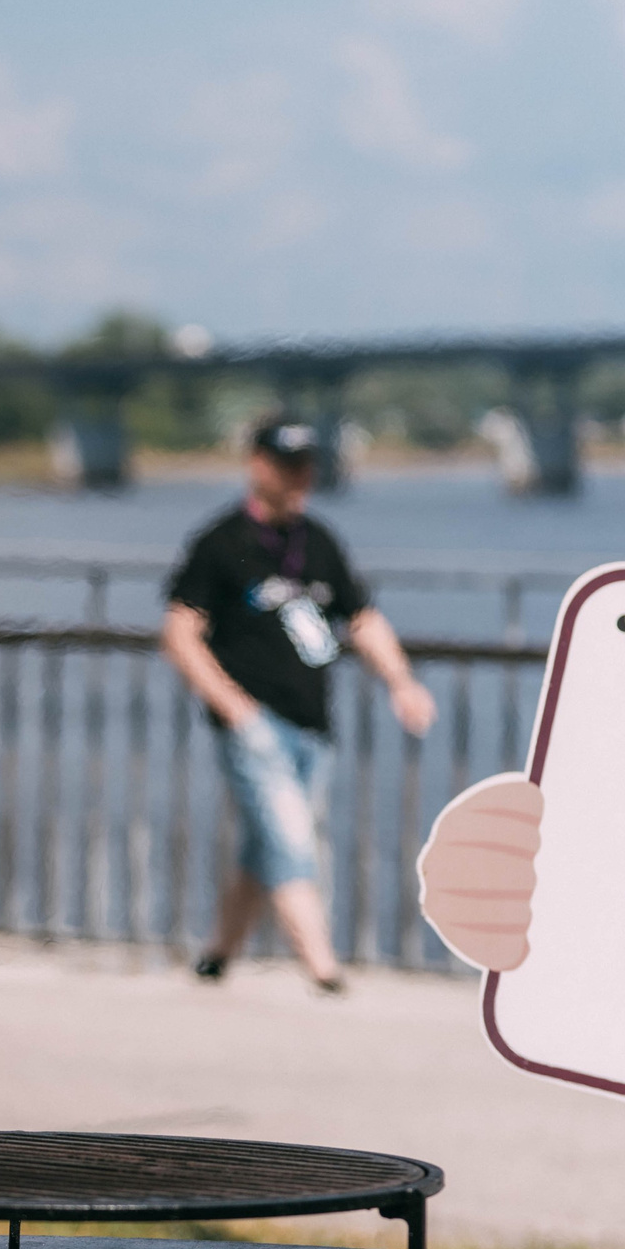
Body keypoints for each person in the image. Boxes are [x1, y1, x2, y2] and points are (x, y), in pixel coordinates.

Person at [161, 415, 437, 992]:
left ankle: (217, 954)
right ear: (258, 466)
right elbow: (181, 634)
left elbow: (361, 619)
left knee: (267, 843)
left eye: (307, 465)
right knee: (292, 840)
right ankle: (323, 967)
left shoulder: (319, 542)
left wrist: (401, 682)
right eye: (288, 465)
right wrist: (234, 708)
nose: (300, 477)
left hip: (313, 726)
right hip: (253, 725)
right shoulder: (221, 543)